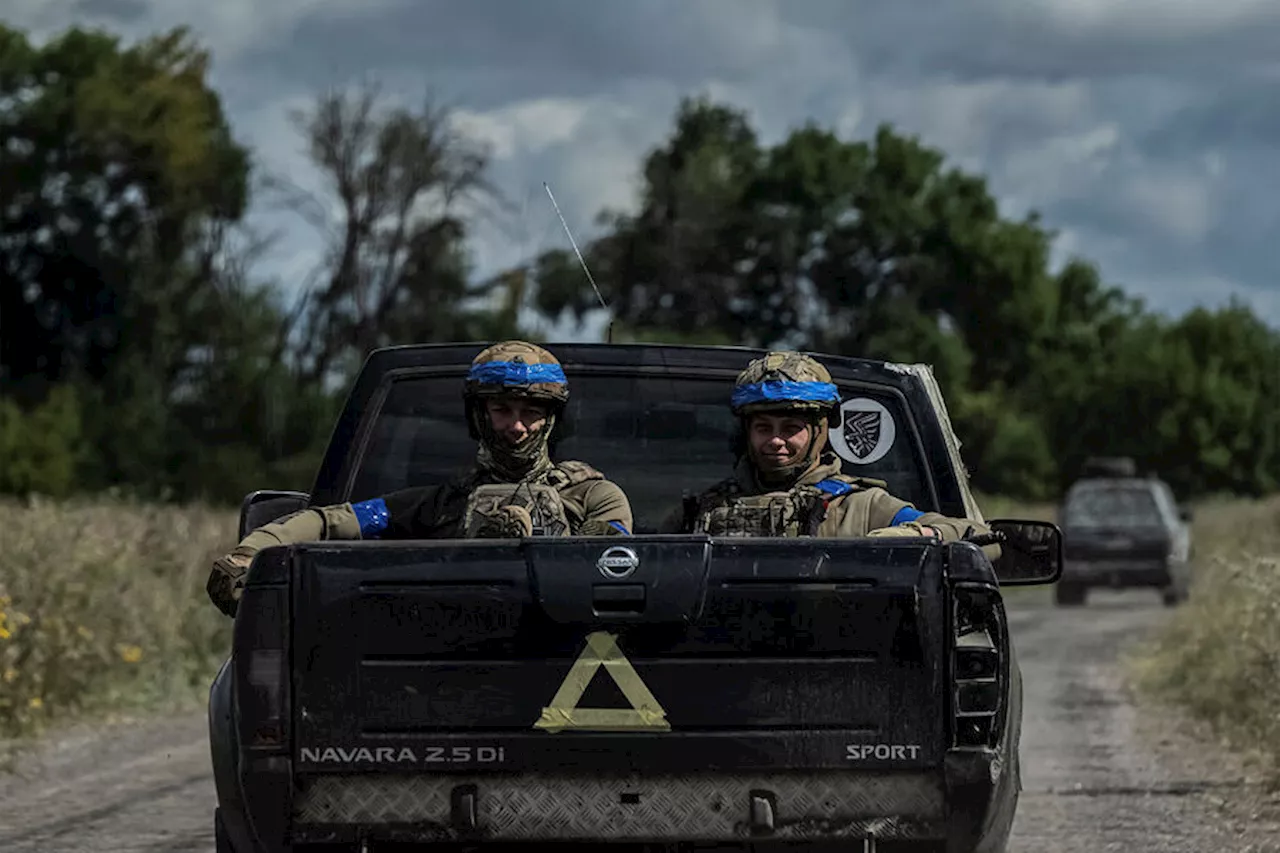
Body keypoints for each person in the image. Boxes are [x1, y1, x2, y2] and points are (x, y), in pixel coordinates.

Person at [207, 340, 634, 617]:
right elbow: (332, 522)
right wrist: (251, 554)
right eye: (502, 410)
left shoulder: (595, 494)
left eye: (531, 413)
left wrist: (537, 544)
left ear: (550, 421)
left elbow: (610, 555)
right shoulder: (437, 505)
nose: (516, 427)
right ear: (479, 416)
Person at [659, 350, 999, 554]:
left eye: (791, 429)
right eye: (764, 428)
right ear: (747, 432)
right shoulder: (704, 510)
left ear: (820, 430)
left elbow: (981, 538)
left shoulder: (862, 506)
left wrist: (918, 535)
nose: (776, 441)